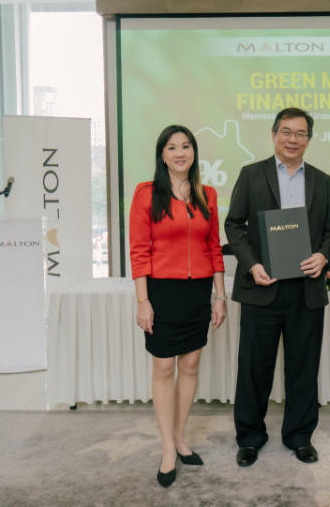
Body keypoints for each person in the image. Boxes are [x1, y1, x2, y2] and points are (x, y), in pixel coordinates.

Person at [225, 107, 330, 467]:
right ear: (274, 134)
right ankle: (249, 437)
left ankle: (300, 436)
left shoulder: (321, 180)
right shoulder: (251, 174)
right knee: (254, 367)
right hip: (263, 284)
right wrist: (252, 264)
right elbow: (234, 225)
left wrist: (323, 256)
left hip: (305, 288)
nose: (293, 139)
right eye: (286, 132)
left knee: (303, 367)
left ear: (309, 138)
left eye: (301, 133)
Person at [130, 125, 227, 488]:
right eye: (172, 147)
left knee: (190, 364)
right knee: (163, 367)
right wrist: (143, 302)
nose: (180, 152)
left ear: (194, 152)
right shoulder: (146, 194)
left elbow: (214, 249)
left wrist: (219, 296)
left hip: (198, 291)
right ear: (163, 155)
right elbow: (138, 252)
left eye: (186, 146)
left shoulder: (208, 194)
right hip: (162, 291)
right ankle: (167, 447)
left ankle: (181, 436)